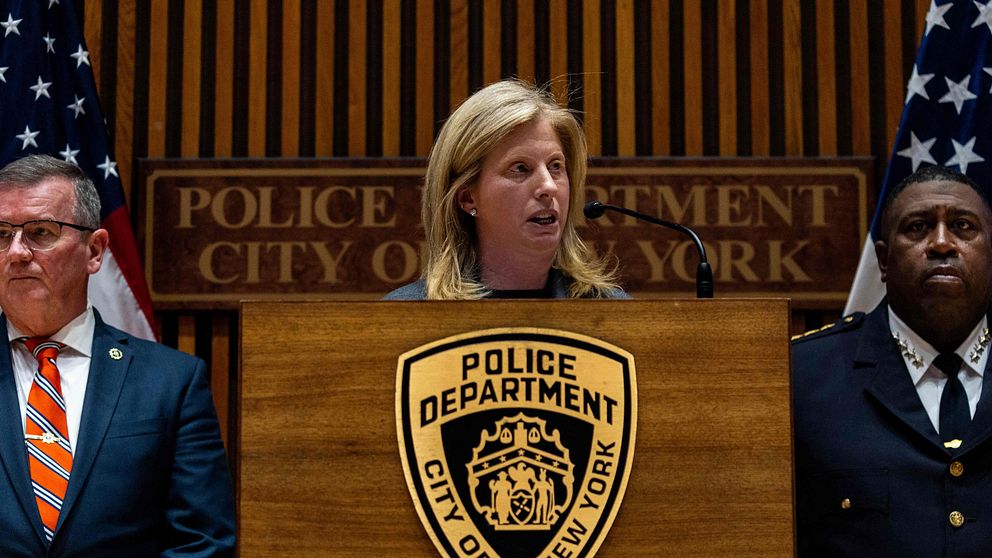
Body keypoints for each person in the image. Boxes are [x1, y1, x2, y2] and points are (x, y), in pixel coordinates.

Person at [0, 155, 235, 556]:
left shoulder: (171, 382)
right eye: (2, 234)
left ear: (95, 250)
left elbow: (202, 542)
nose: (17, 252)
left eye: (40, 232)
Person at [792, 165, 992, 557]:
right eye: (918, 227)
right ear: (883, 261)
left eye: (963, 227)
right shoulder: (801, 378)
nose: (941, 243)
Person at [384, 79, 626, 300]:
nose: (549, 186)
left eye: (555, 166)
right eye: (520, 168)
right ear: (467, 198)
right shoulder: (405, 315)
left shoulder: (614, 312)